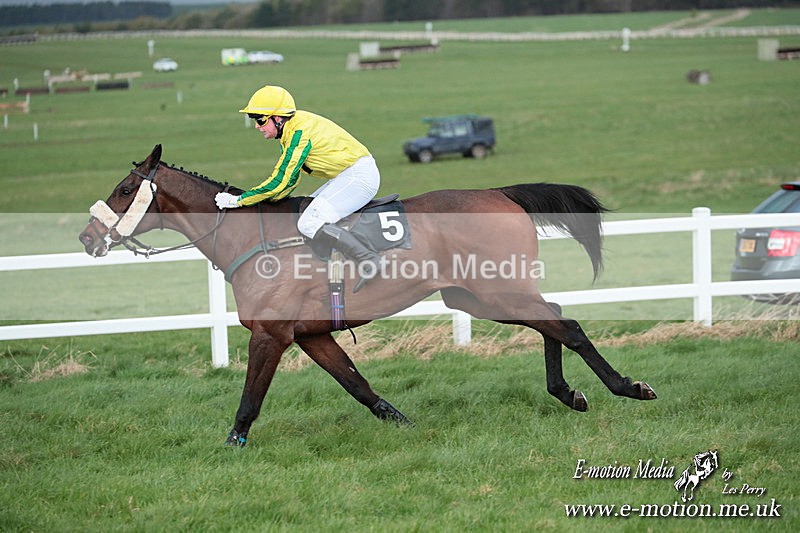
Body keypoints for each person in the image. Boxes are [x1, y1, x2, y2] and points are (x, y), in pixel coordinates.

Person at [215, 85, 382, 292]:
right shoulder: (290, 132)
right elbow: (291, 181)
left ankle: (369, 259)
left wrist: (239, 200)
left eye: (260, 120)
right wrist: (270, 204)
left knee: (310, 222)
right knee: (303, 214)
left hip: (358, 176)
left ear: (279, 118)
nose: (257, 126)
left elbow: (280, 180)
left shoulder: (299, 133)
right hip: (348, 175)